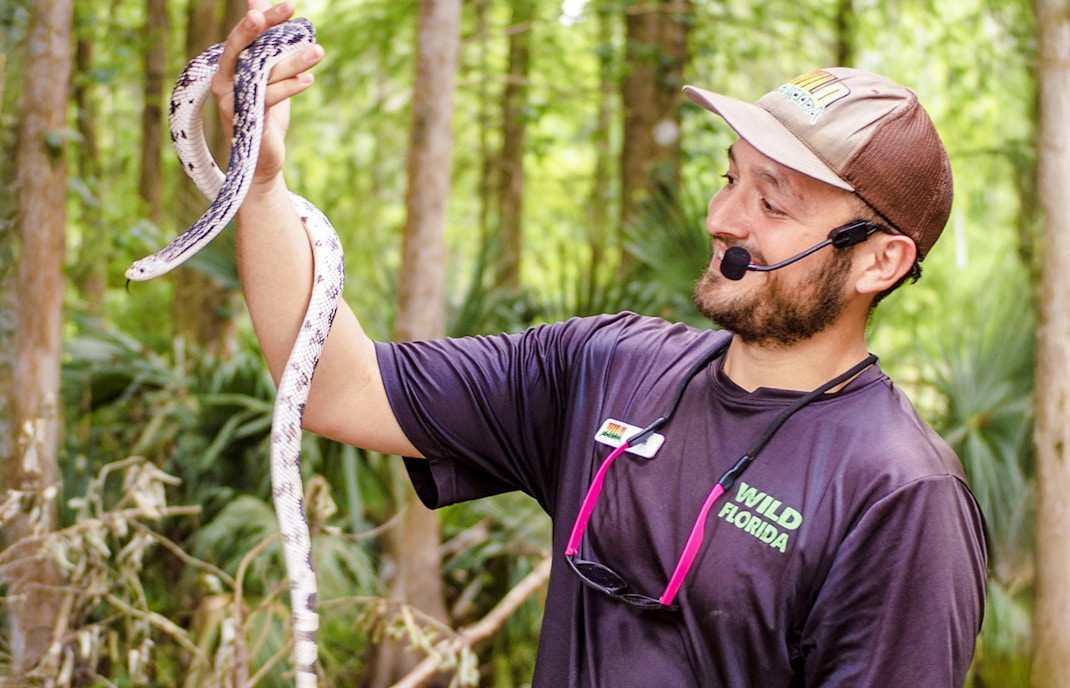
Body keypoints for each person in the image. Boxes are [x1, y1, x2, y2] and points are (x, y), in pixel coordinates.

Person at [215, 2, 987, 686]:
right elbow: (330, 388)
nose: (723, 217)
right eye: (730, 178)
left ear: (879, 261)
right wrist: (258, 181)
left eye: (771, 203)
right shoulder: (608, 367)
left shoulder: (900, 496)